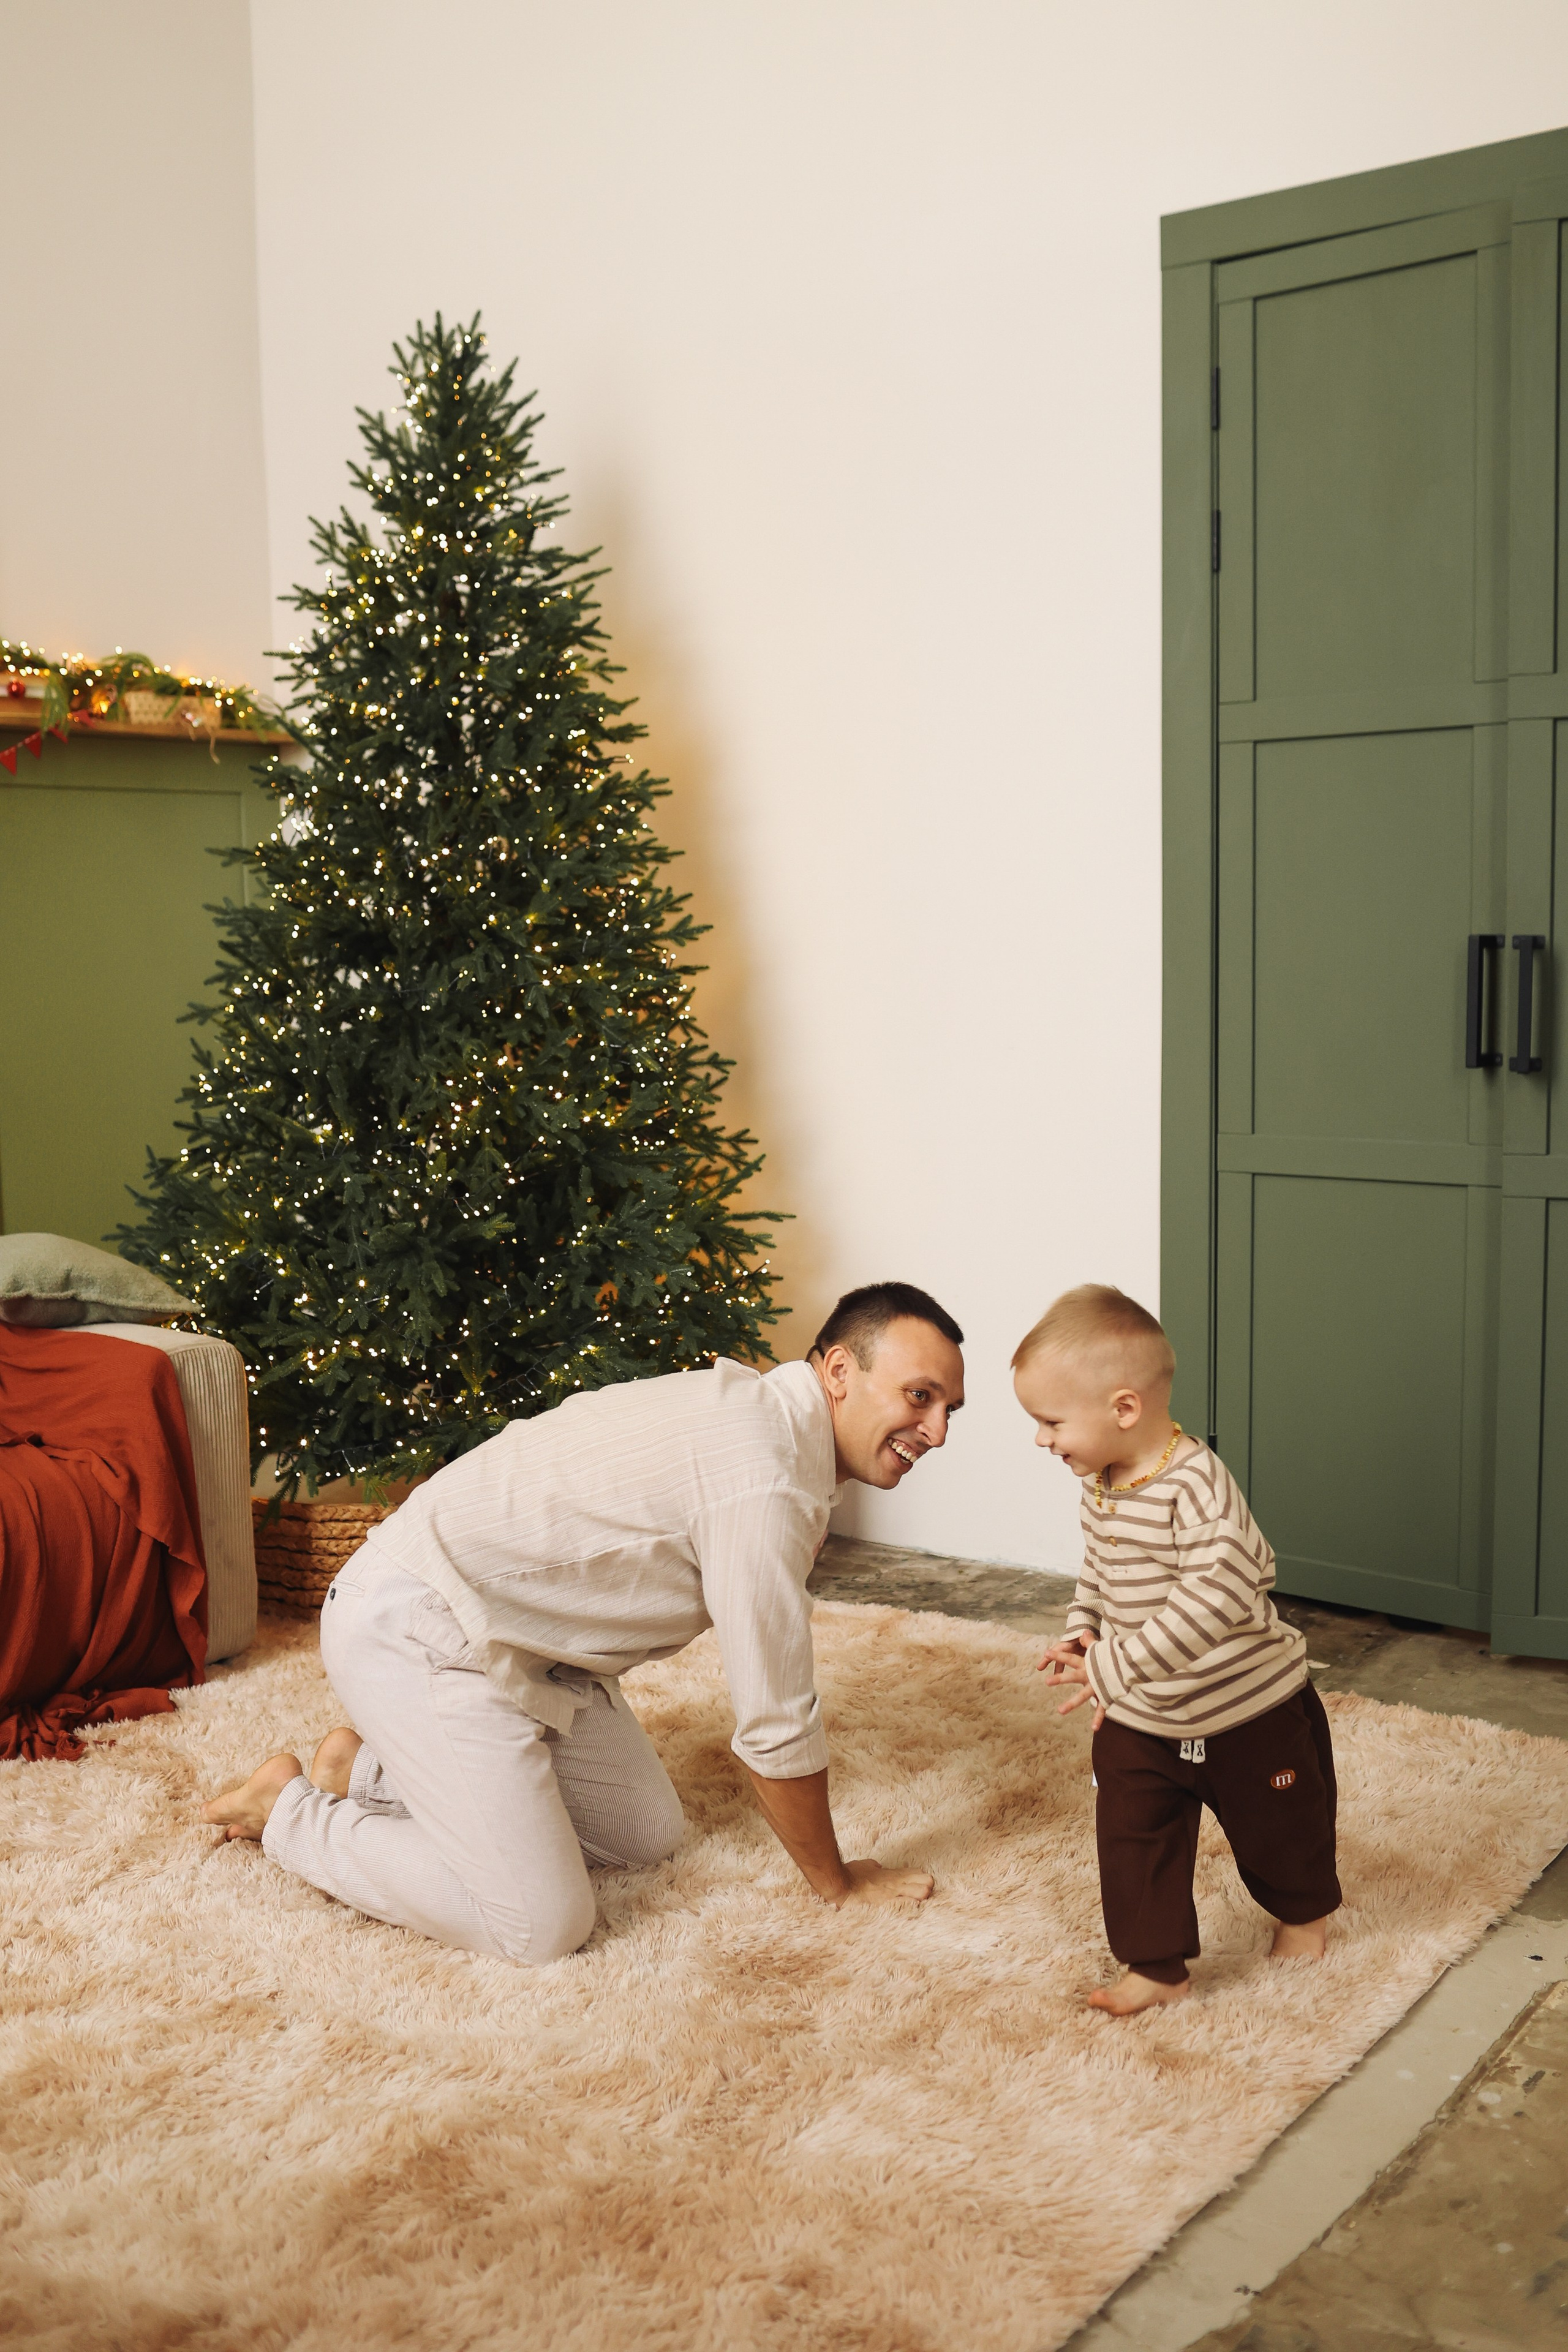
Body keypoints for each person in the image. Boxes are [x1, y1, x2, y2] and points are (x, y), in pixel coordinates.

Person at [203, 1283, 963, 1963]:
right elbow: (774, 1720)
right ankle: (288, 1810)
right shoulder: (765, 1474)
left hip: (528, 1651)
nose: (935, 1432)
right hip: (420, 1627)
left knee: (644, 1834)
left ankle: (366, 1771)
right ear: (839, 1372)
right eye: (919, 1396)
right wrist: (837, 1884)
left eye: (947, 1410)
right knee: (540, 1926)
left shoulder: (766, 1426)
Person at [1016, 1284, 1340, 2014]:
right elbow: (1101, 1568)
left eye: (1050, 1421)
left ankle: (1303, 1914)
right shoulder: (1102, 1482)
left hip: (1246, 1708)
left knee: (1281, 1826)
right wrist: (1083, 1626)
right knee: (1133, 1834)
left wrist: (1114, 1666)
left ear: (1124, 1408)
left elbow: (1213, 1599)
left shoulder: (1198, 1488)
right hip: (1145, 1710)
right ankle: (1157, 1965)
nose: (1040, 1439)